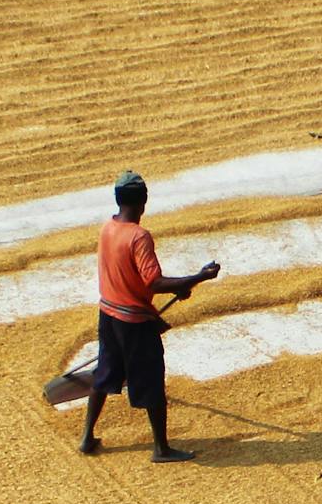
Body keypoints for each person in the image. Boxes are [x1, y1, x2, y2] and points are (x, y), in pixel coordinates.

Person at [81, 171, 221, 462]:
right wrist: (198, 277)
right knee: (152, 381)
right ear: (143, 201)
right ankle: (161, 449)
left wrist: (182, 285)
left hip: (108, 314)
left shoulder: (108, 227)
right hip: (134, 323)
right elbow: (153, 282)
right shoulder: (139, 237)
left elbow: (131, 276)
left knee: (104, 374)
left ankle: (86, 438)